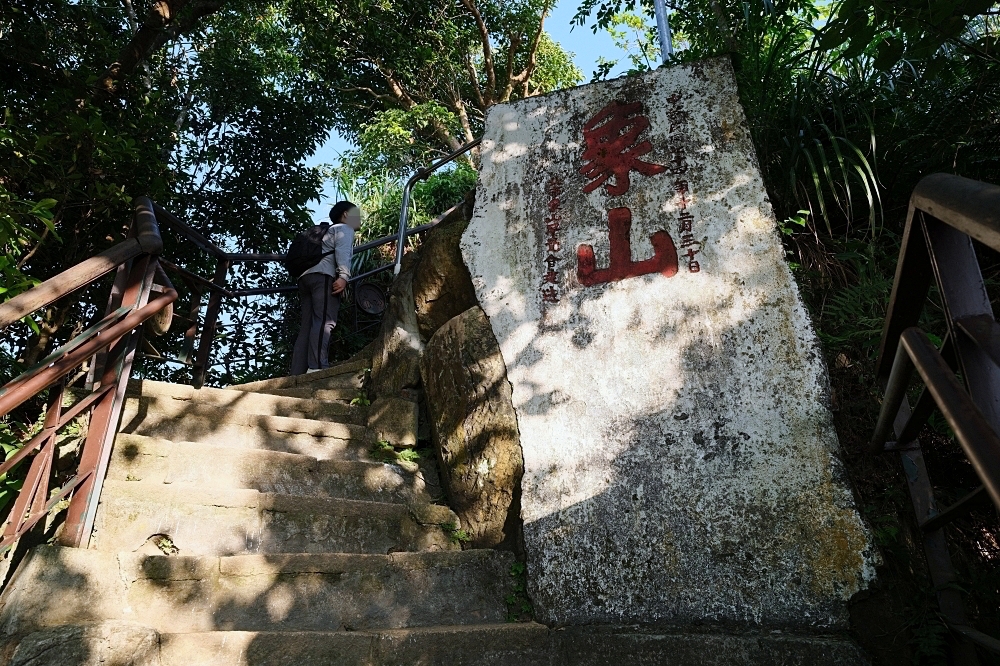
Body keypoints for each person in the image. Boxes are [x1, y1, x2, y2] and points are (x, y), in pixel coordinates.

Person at [290, 201, 362, 375]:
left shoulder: (327, 231)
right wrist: (344, 277)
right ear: (346, 214)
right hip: (322, 277)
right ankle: (317, 369)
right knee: (325, 322)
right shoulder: (344, 229)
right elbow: (343, 254)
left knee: (308, 325)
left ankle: (297, 373)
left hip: (304, 278)